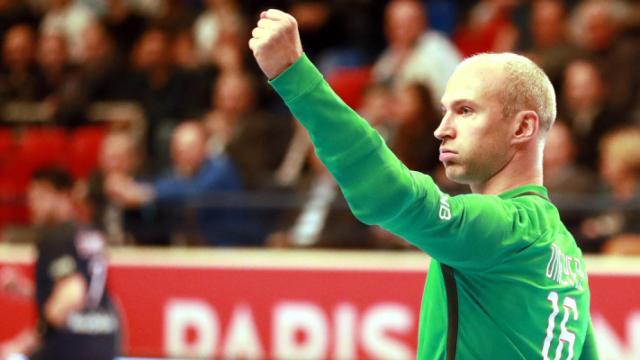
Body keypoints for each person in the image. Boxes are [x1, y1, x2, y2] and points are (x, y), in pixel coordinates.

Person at [249, 9, 598, 359]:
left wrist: (294, 74)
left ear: (522, 128)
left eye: (465, 111)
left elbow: (392, 193)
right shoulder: (567, 255)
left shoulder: (501, 228)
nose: (442, 129)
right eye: (445, 110)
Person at [27, 167, 120, 360]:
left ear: (62, 195)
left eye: (39, 196)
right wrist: (30, 291)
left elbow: (72, 294)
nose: (32, 205)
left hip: (69, 345)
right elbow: (96, 294)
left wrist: (29, 340)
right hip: (103, 340)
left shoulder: (55, 236)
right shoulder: (91, 233)